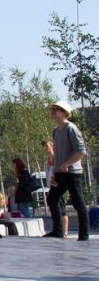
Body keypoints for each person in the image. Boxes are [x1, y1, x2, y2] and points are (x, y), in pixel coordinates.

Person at [45, 101, 89, 241]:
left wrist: (67, 164)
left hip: (72, 172)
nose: (53, 111)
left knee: (78, 202)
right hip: (60, 172)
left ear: (65, 113)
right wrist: (54, 172)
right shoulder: (56, 131)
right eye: (53, 109)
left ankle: (83, 235)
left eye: (57, 109)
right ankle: (58, 230)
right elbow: (57, 153)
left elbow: (81, 151)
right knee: (52, 198)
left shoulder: (71, 128)